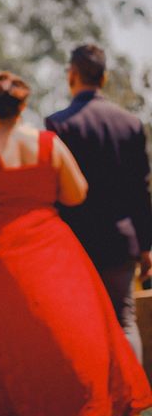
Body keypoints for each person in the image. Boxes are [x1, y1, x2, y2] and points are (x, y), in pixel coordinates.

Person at [0, 71, 152, 416]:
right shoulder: (49, 145)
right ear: (23, 106)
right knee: (65, 333)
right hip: (50, 251)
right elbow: (76, 193)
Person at [46, 44, 152, 361]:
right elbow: (140, 191)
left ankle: (96, 403)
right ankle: (131, 406)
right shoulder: (130, 123)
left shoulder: (58, 125)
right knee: (124, 323)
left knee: (81, 325)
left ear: (72, 75)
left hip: (77, 243)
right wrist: (147, 245)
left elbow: (55, 192)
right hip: (122, 243)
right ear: (104, 78)